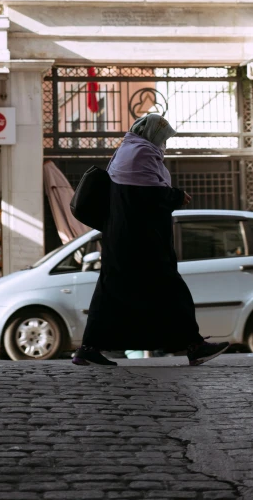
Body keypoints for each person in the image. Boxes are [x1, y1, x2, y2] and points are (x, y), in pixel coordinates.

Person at [72, 114, 229, 368]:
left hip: (123, 241)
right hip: (142, 244)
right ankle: (194, 345)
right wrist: (177, 197)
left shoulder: (128, 151)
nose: (163, 143)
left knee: (110, 293)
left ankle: (88, 349)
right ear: (152, 134)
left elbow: (140, 195)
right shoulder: (140, 155)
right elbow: (148, 197)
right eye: (162, 137)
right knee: (171, 289)